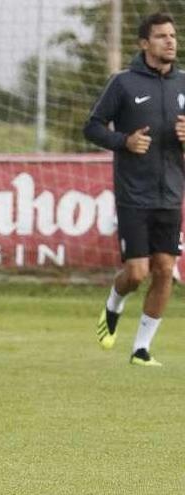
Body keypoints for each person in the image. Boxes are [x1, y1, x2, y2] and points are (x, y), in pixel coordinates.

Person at [85, 12, 185, 367]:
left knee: (164, 269)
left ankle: (141, 349)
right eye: (161, 36)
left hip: (171, 195)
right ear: (144, 43)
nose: (170, 41)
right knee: (138, 272)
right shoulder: (123, 83)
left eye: (172, 35)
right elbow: (93, 127)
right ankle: (114, 302)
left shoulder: (183, 83)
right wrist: (123, 141)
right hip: (134, 195)